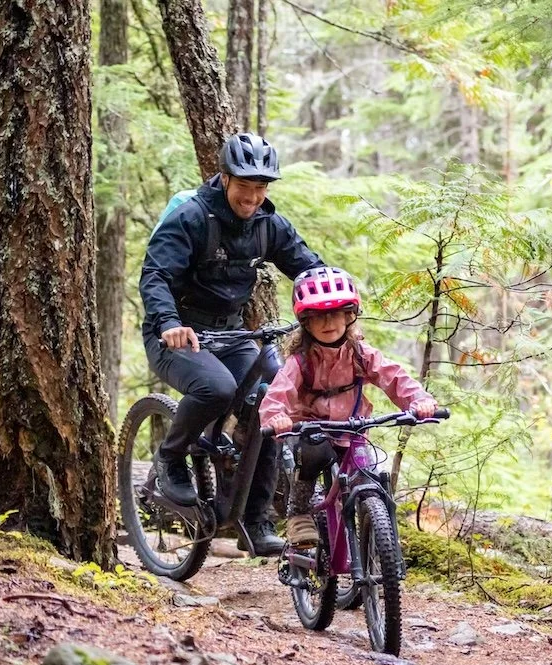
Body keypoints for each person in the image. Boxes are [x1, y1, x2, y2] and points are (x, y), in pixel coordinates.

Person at [139, 132, 331, 556]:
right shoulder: (191, 217)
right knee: (217, 388)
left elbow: (309, 267)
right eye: (245, 186)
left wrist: (337, 298)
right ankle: (170, 457)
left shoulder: (268, 224)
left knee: (273, 402)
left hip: (232, 332)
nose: (253, 197)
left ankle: (255, 519)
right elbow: (155, 276)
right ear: (225, 179)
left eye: (261, 188)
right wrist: (169, 323)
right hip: (175, 333)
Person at [259, 267, 437, 567]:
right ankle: (299, 511)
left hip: (353, 430)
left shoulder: (359, 353)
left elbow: (393, 376)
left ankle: (381, 543)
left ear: (349, 316)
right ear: (306, 322)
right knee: (314, 455)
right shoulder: (300, 361)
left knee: (368, 476)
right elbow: (279, 393)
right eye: (318, 316)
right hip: (312, 430)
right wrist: (277, 417)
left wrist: (419, 400)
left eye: (336, 313)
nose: (328, 322)